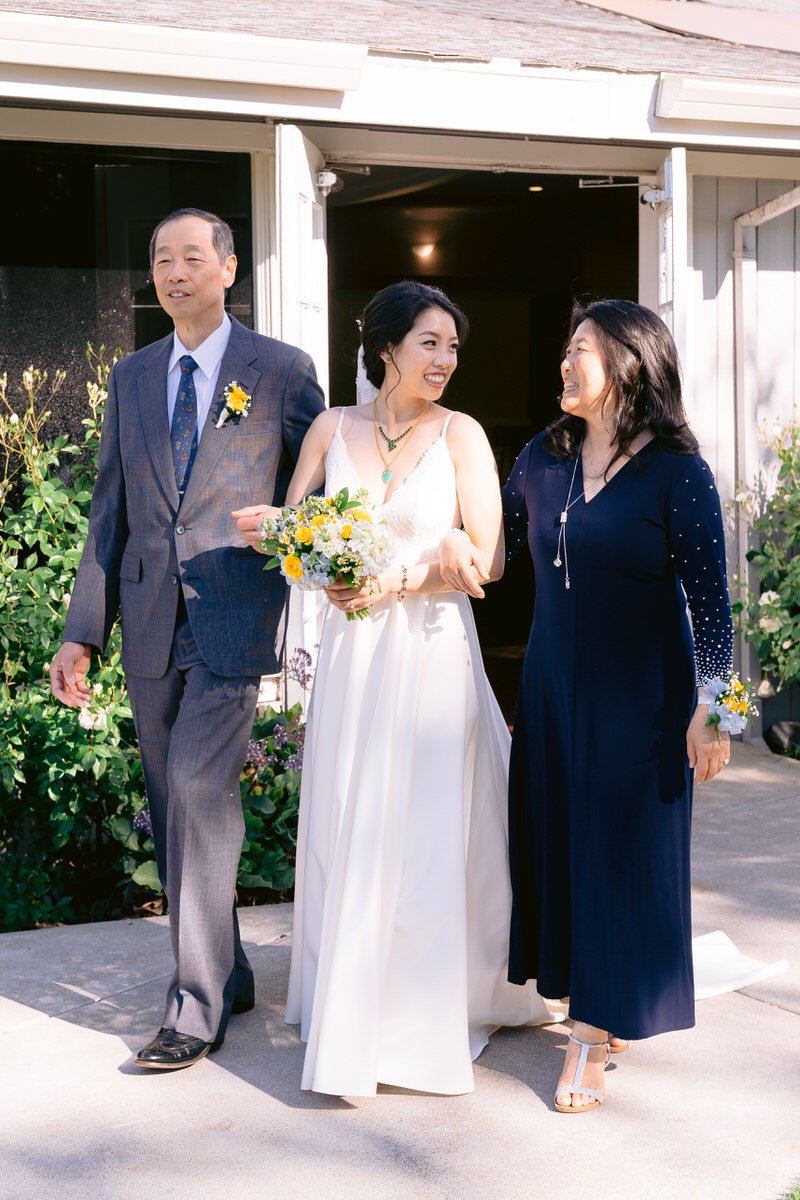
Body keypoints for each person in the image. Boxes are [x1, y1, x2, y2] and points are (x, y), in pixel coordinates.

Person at [242, 280, 554, 1097]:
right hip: (353, 660)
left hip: (429, 656)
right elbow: (295, 521)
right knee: (355, 810)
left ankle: (420, 1010)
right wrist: (287, 540)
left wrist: (404, 580)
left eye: (453, 346)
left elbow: (484, 560)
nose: (445, 360)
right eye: (429, 343)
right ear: (386, 348)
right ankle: (349, 994)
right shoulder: (330, 427)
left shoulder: (464, 436)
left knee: (421, 822)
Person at [441, 299, 734, 1112]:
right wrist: (427, 541)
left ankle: (593, 1036)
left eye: (582, 352)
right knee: (562, 848)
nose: (565, 365)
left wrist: (716, 709)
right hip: (551, 686)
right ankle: (595, 999)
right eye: (565, 351)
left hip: (641, 697)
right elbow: (489, 548)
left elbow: (712, 605)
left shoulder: (679, 471)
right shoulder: (543, 454)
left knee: (617, 856)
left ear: (630, 365)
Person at [50, 207, 325, 1070]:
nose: (175, 272)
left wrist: (293, 530)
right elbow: (112, 513)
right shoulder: (132, 378)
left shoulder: (278, 371)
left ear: (229, 269)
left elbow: (321, 491)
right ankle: (230, 970)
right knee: (176, 809)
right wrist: (81, 634)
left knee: (203, 796)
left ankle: (194, 1009)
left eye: (192, 257)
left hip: (234, 617)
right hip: (149, 624)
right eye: (162, 258)